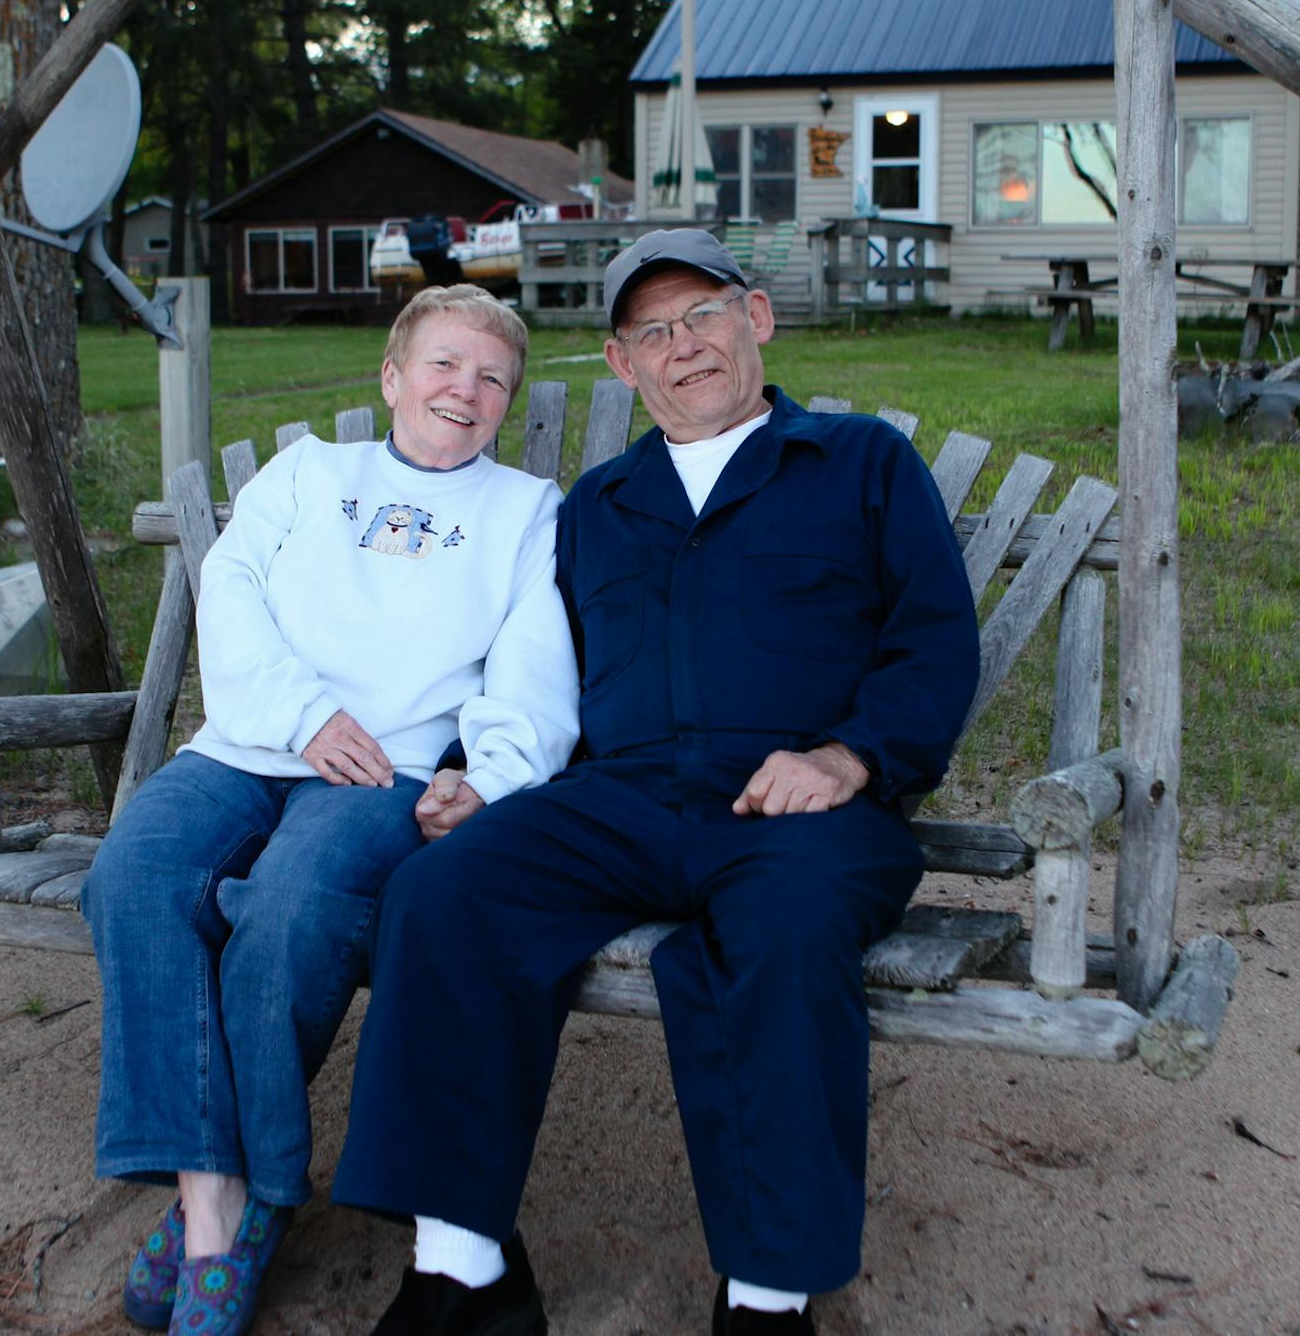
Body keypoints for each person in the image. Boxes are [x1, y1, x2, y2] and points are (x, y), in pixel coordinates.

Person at [332, 228, 980, 1336]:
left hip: (798, 805)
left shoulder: (860, 464)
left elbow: (933, 641)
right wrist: (476, 777)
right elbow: (525, 668)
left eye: (703, 316)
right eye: (651, 333)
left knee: (778, 932)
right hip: (619, 800)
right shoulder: (597, 504)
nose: (684, 348)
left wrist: (851, 755)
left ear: (757, 320)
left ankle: (768, 1299)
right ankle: (464, 1271)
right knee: (445, 896)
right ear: (622, 365)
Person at [81, 284, 580, 1336]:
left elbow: (533, 673)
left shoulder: (527, 512)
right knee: (133, 876)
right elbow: (233, 588)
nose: (466, 390)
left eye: (492, 378)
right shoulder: (309, 471)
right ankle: (223, 1192)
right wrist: (303, 712)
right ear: (393, 377)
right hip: (254, 739)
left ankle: (224, 1215)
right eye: (445, 365)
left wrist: (486, 779)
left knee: (293, 908)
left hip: (386, 767)